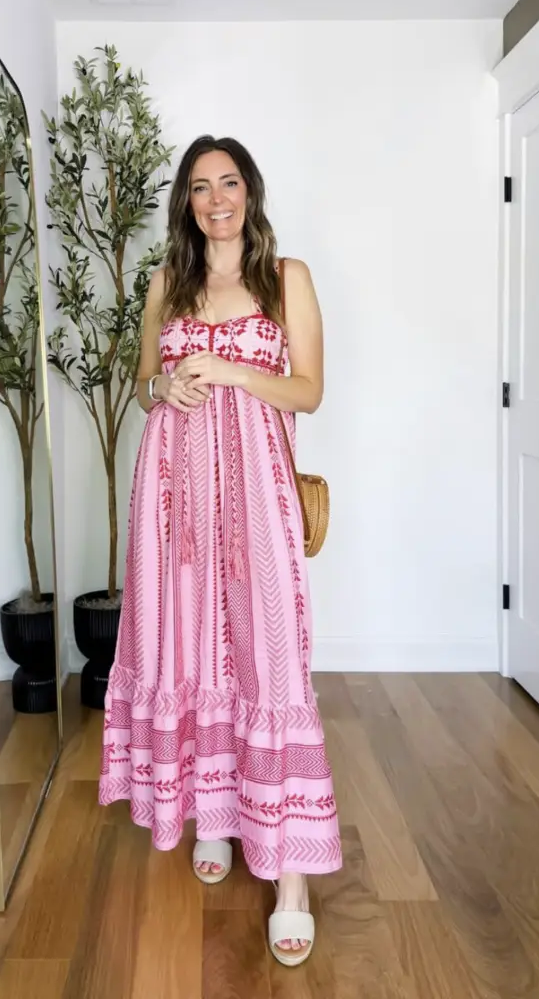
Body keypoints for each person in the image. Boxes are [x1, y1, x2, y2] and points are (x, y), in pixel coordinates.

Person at [98, 134, 341, 967]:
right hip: (173, 500)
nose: (215, 199)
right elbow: (140, 381)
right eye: (199, 187)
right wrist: (163, 384)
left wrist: (233, 373)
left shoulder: (286, 279)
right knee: (191, 652)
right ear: (187, 202)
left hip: (259, 499)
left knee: (268, 661)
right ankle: (215, 815)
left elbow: (308, 388)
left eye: (227, 182)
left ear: (250, 190)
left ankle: (292, 881)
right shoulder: (167, 283)